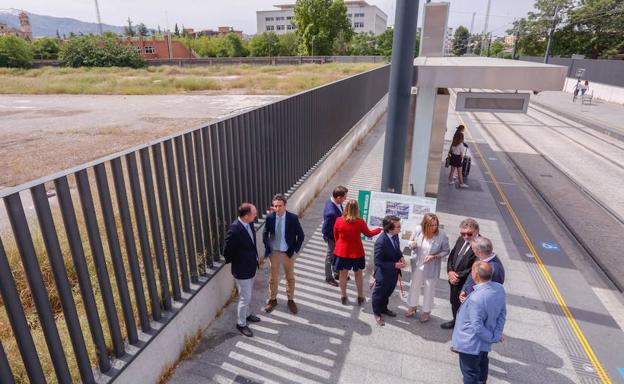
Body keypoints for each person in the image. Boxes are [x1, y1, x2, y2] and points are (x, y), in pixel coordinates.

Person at [452, 262, 506, 384]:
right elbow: (502, 314)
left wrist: (493, 337)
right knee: (482, 366)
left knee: (470, 373)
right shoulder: (499, 288)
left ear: (475, 275)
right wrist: (496, 334)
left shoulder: (476, 298)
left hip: (470, 344)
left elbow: (477, 326)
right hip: (483, 344)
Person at [333, 199, 382, 305]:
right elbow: (369, 234)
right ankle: (360, 296)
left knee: (343, 274)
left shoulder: (338, 220)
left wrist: (339, 246)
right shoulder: (360, 222)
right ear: (357, 210)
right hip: (356, 252)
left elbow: (335, 235)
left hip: (342, 252)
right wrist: (379, 229)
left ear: (346, 209)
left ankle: (343, 296)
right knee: (358, 274)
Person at [223, 203, 261, 337]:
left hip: (251, 266)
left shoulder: (249, 223)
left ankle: (247, 314)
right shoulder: (234, 230)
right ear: (246, 216)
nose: (256, 215)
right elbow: (227, 251)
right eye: (254, 213)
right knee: (245, 297)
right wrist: (238, 262)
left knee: (248, 294)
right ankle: (241, 324)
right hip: (242, 270)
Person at [263, 194, 305, 314]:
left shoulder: (292, 218)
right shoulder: (270, 218)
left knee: (290, 277)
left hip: (288, 253)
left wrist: (294, 249)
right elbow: (265, 233)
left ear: (285, 205)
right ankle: (272, 299)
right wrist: (267, 246)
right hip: (274, 253)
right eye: (275, 206)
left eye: (280, 206)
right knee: (273, 278)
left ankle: (290, 300)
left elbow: (301, 236)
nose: (277, 209)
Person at [405, 213, 450, 322]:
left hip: (432, 266)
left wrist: (435, 256)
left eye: (435, 225)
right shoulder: (418, 230)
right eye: (430, 225)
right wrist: (412, 244)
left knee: (429, 289)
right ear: (425, 224)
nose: (433, 227)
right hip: (417, 265)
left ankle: (426, 311)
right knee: (414, 286)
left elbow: (446, 251)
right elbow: (410, 241)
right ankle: (412, 306)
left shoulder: (442, 235)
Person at [441, 218, 479, 330]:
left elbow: (475, 266)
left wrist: (457, 276)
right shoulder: (461, 239)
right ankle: (455, 321)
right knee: (454, 302)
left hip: (466, 283)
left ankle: (463, 326)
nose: (466, 237)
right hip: (454, 280)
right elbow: (452, 256)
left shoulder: (480, 244)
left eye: (469, 234)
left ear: (476, 231)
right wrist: (450, 271)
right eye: (463, 233)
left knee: (465, 306)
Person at [371, 215, 406, 326]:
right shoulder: (381, 242)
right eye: (398, 227)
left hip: (393, 274)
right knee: (379, 294)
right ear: (390, 229)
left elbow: (397, 249)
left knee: (388, 292)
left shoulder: (395, 236)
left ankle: (384, 308)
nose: (400, 228)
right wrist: (394, 265)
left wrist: (401, 257)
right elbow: (378, 262)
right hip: (383, 274)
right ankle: (377, 313)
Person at [459, 236, 505, 303]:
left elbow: (491, 294)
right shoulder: (481, 257)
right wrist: (464, 290)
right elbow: (471, 275)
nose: (472, 250)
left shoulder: (495, 269)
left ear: (479, 252)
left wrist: (471, 300)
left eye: (473, 248)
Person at [322, 185, 348, 287]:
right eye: (344, 197)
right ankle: (329, 278)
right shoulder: (331, 213)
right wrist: (331, 240)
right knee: (330, 256)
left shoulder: (333, 201)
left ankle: (337, 273)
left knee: (337, 255)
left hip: (337, 237)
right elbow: (325, 229)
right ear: (338, 198)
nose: (345, 199)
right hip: (333, 238)